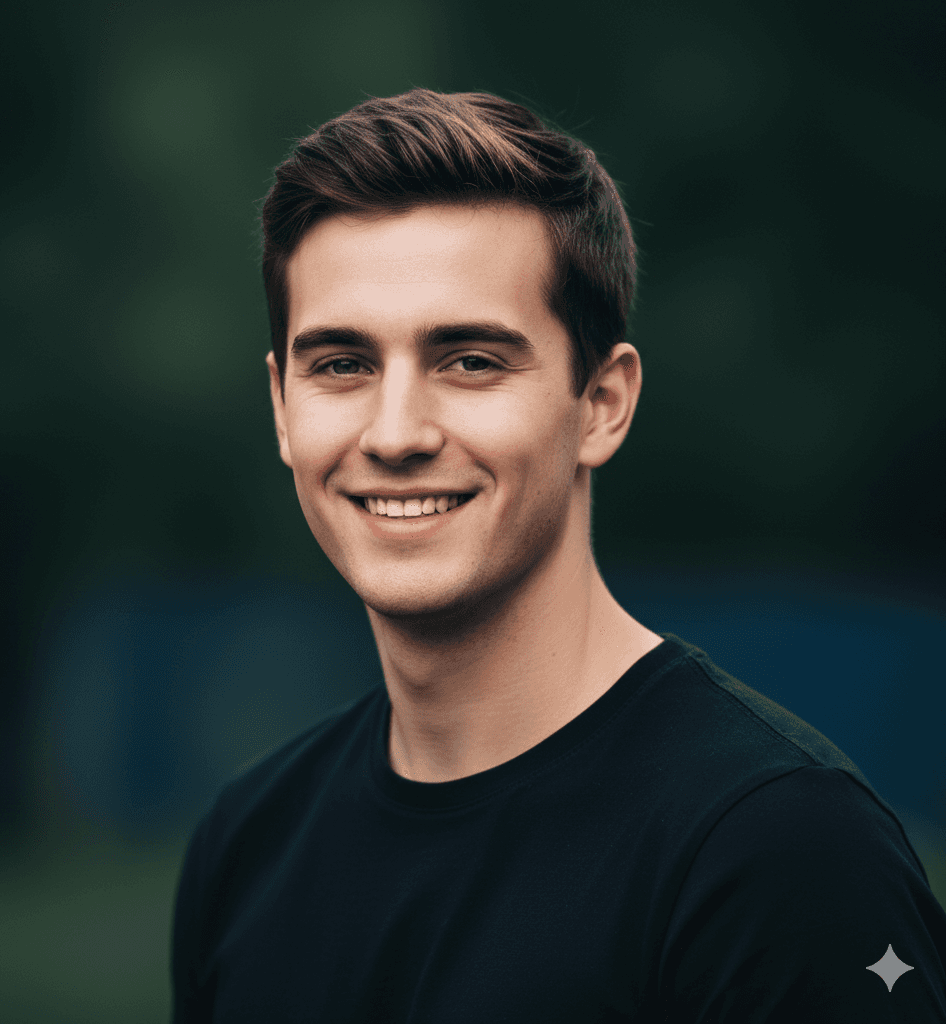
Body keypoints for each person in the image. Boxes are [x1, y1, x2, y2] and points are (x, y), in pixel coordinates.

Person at [170, 88, 945, 1022]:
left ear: (602, 405)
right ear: (282, 409)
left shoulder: (779, 850)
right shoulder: (246, 845)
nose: (396, 432)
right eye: (342, 364)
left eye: (470, 360)